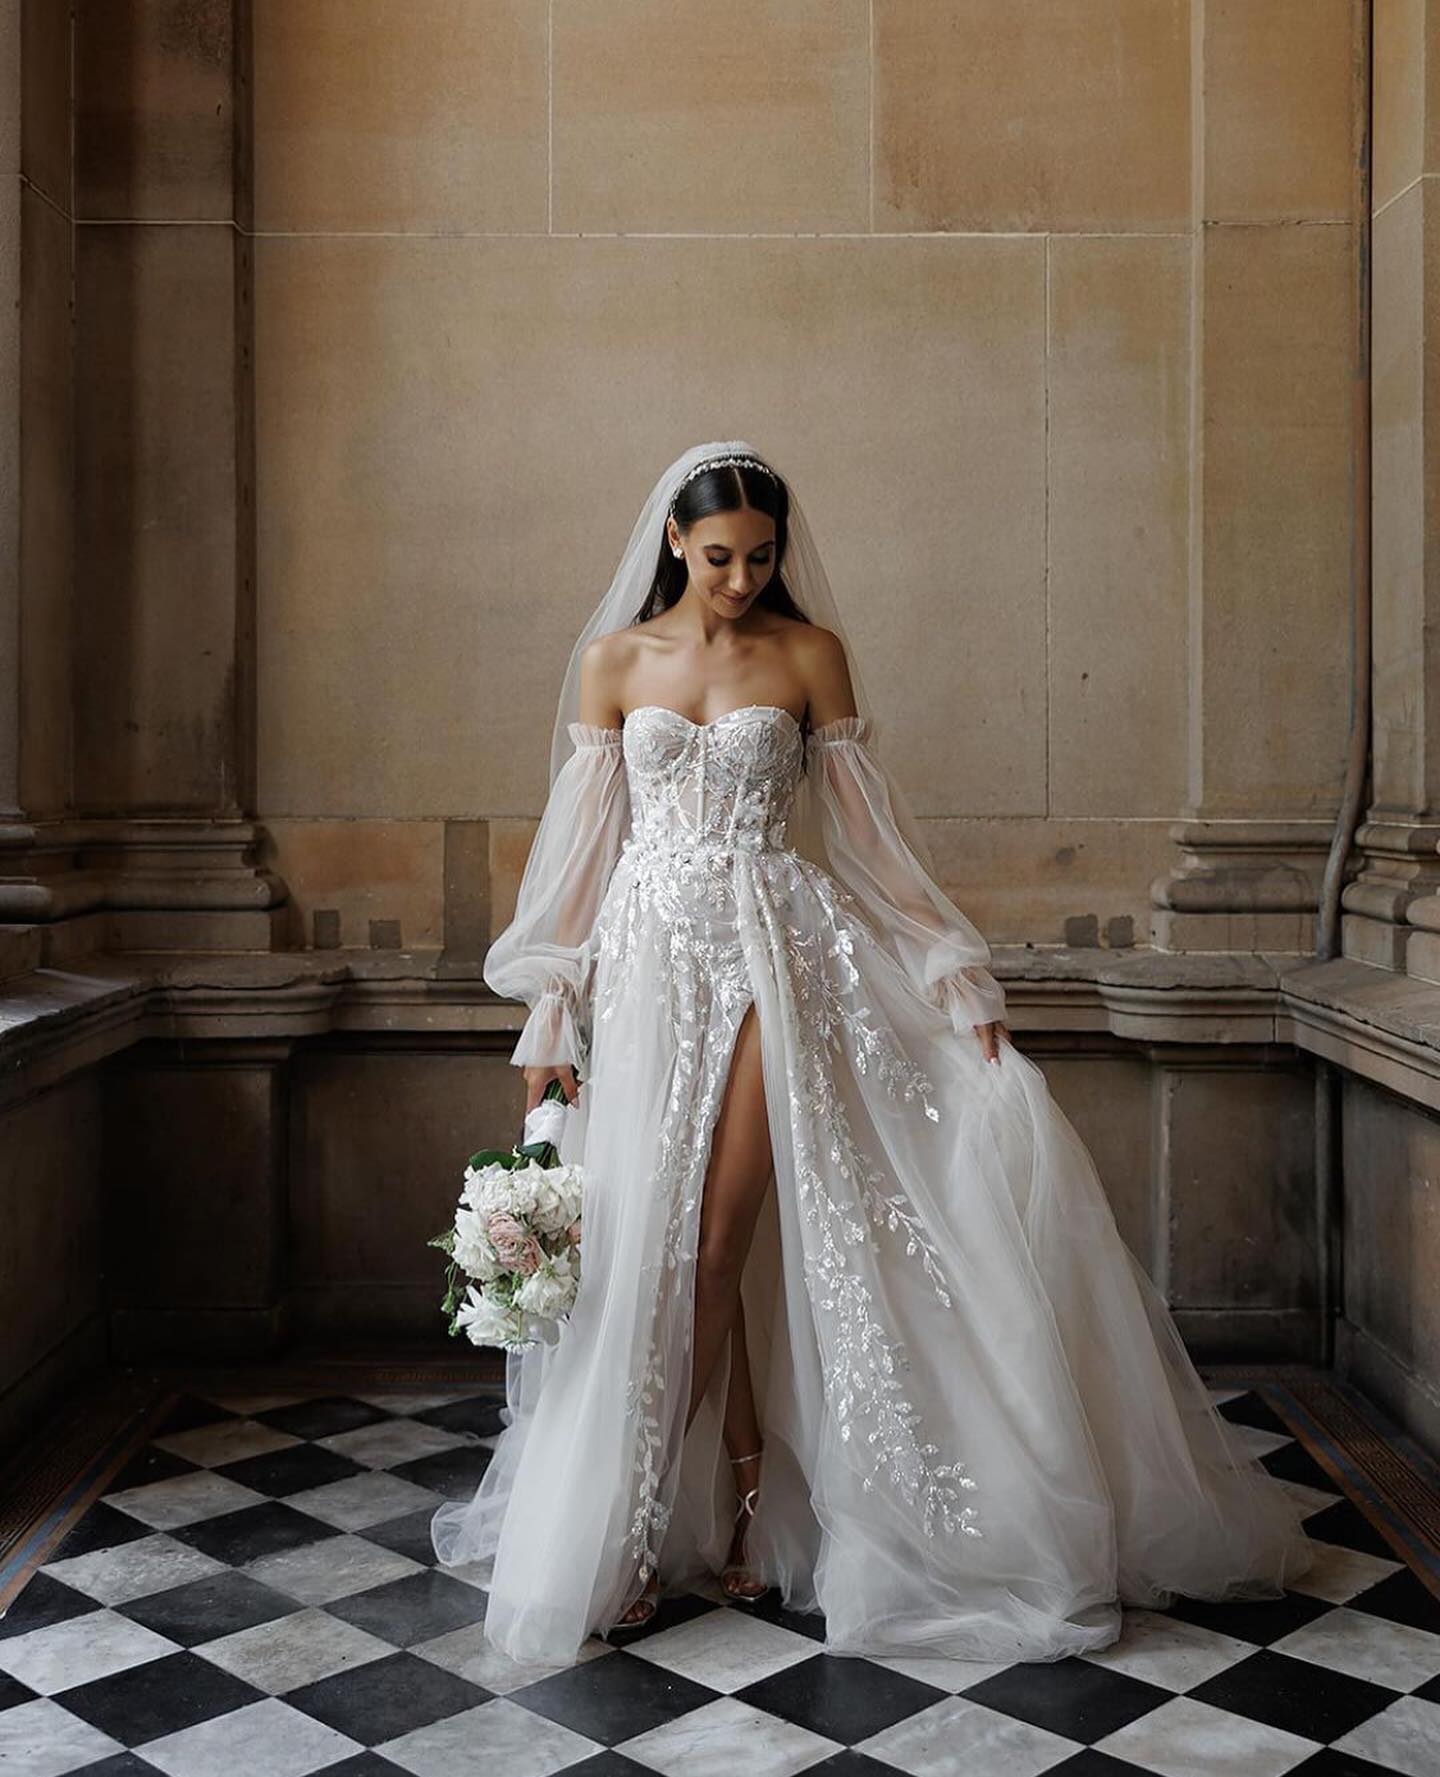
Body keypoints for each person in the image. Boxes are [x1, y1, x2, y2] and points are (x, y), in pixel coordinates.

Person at [430, 439, 1315, 1668]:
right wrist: (548, 1014)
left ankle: (625, 1537)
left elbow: (866, 833)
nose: (742, 579)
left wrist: (954, 969)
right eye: (721, 555)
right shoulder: (611, 662)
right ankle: (737, 1510)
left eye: (762, 555)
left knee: (714, 1238)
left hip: (769, 959)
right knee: (668, 1248)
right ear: (675, 543)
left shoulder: (807, 657)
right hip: (643, 973)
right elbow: (576, 858)